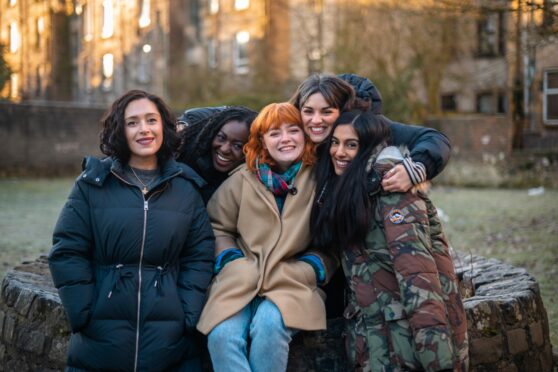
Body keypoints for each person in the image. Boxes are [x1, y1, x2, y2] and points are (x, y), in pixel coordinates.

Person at [48, 90, 215, 371]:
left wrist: (186, 313)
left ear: (163, 126)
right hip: (100, 345)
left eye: (151, 120)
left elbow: (199, 255)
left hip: (171, 345)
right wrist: (83, 312)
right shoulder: (93, 184)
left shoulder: (186, 188)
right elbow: (67, 251)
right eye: (133, 122)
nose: (144, 129)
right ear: (119, 130)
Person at [311, 110, 468, 372]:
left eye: (351, 145)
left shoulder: (392, 192)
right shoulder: (349, 189)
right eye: (335, 143)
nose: (339, 152)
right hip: (375, 342)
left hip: (408, 345)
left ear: (368, 148)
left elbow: (419, 279)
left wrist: (438, 362)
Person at [196, 102, 337, 372]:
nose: (285, 139)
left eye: (293, 130)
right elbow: (216, 226)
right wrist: (231, 260)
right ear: (262, 141)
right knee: (222, 336)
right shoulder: (242, 179)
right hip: (240, 280)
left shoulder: (322, 180)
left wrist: (312, 268)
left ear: (304, 135)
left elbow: (334, 241)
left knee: (269, 328)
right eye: (274, 133)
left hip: (292, 282)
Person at [289, 73, 451, 193]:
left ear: (343, 111)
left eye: (326, 112)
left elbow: (435, 139)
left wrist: (413, 170)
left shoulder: (369, 128)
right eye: (309, 111)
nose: (316, 120)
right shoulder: (293, 135)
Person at [177, 106, 258, 203]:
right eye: (221, 137)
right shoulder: (186, 160)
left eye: (237, 146)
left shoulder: (251, 182)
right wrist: (183, 124)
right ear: (212, 133)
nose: (224, 149)